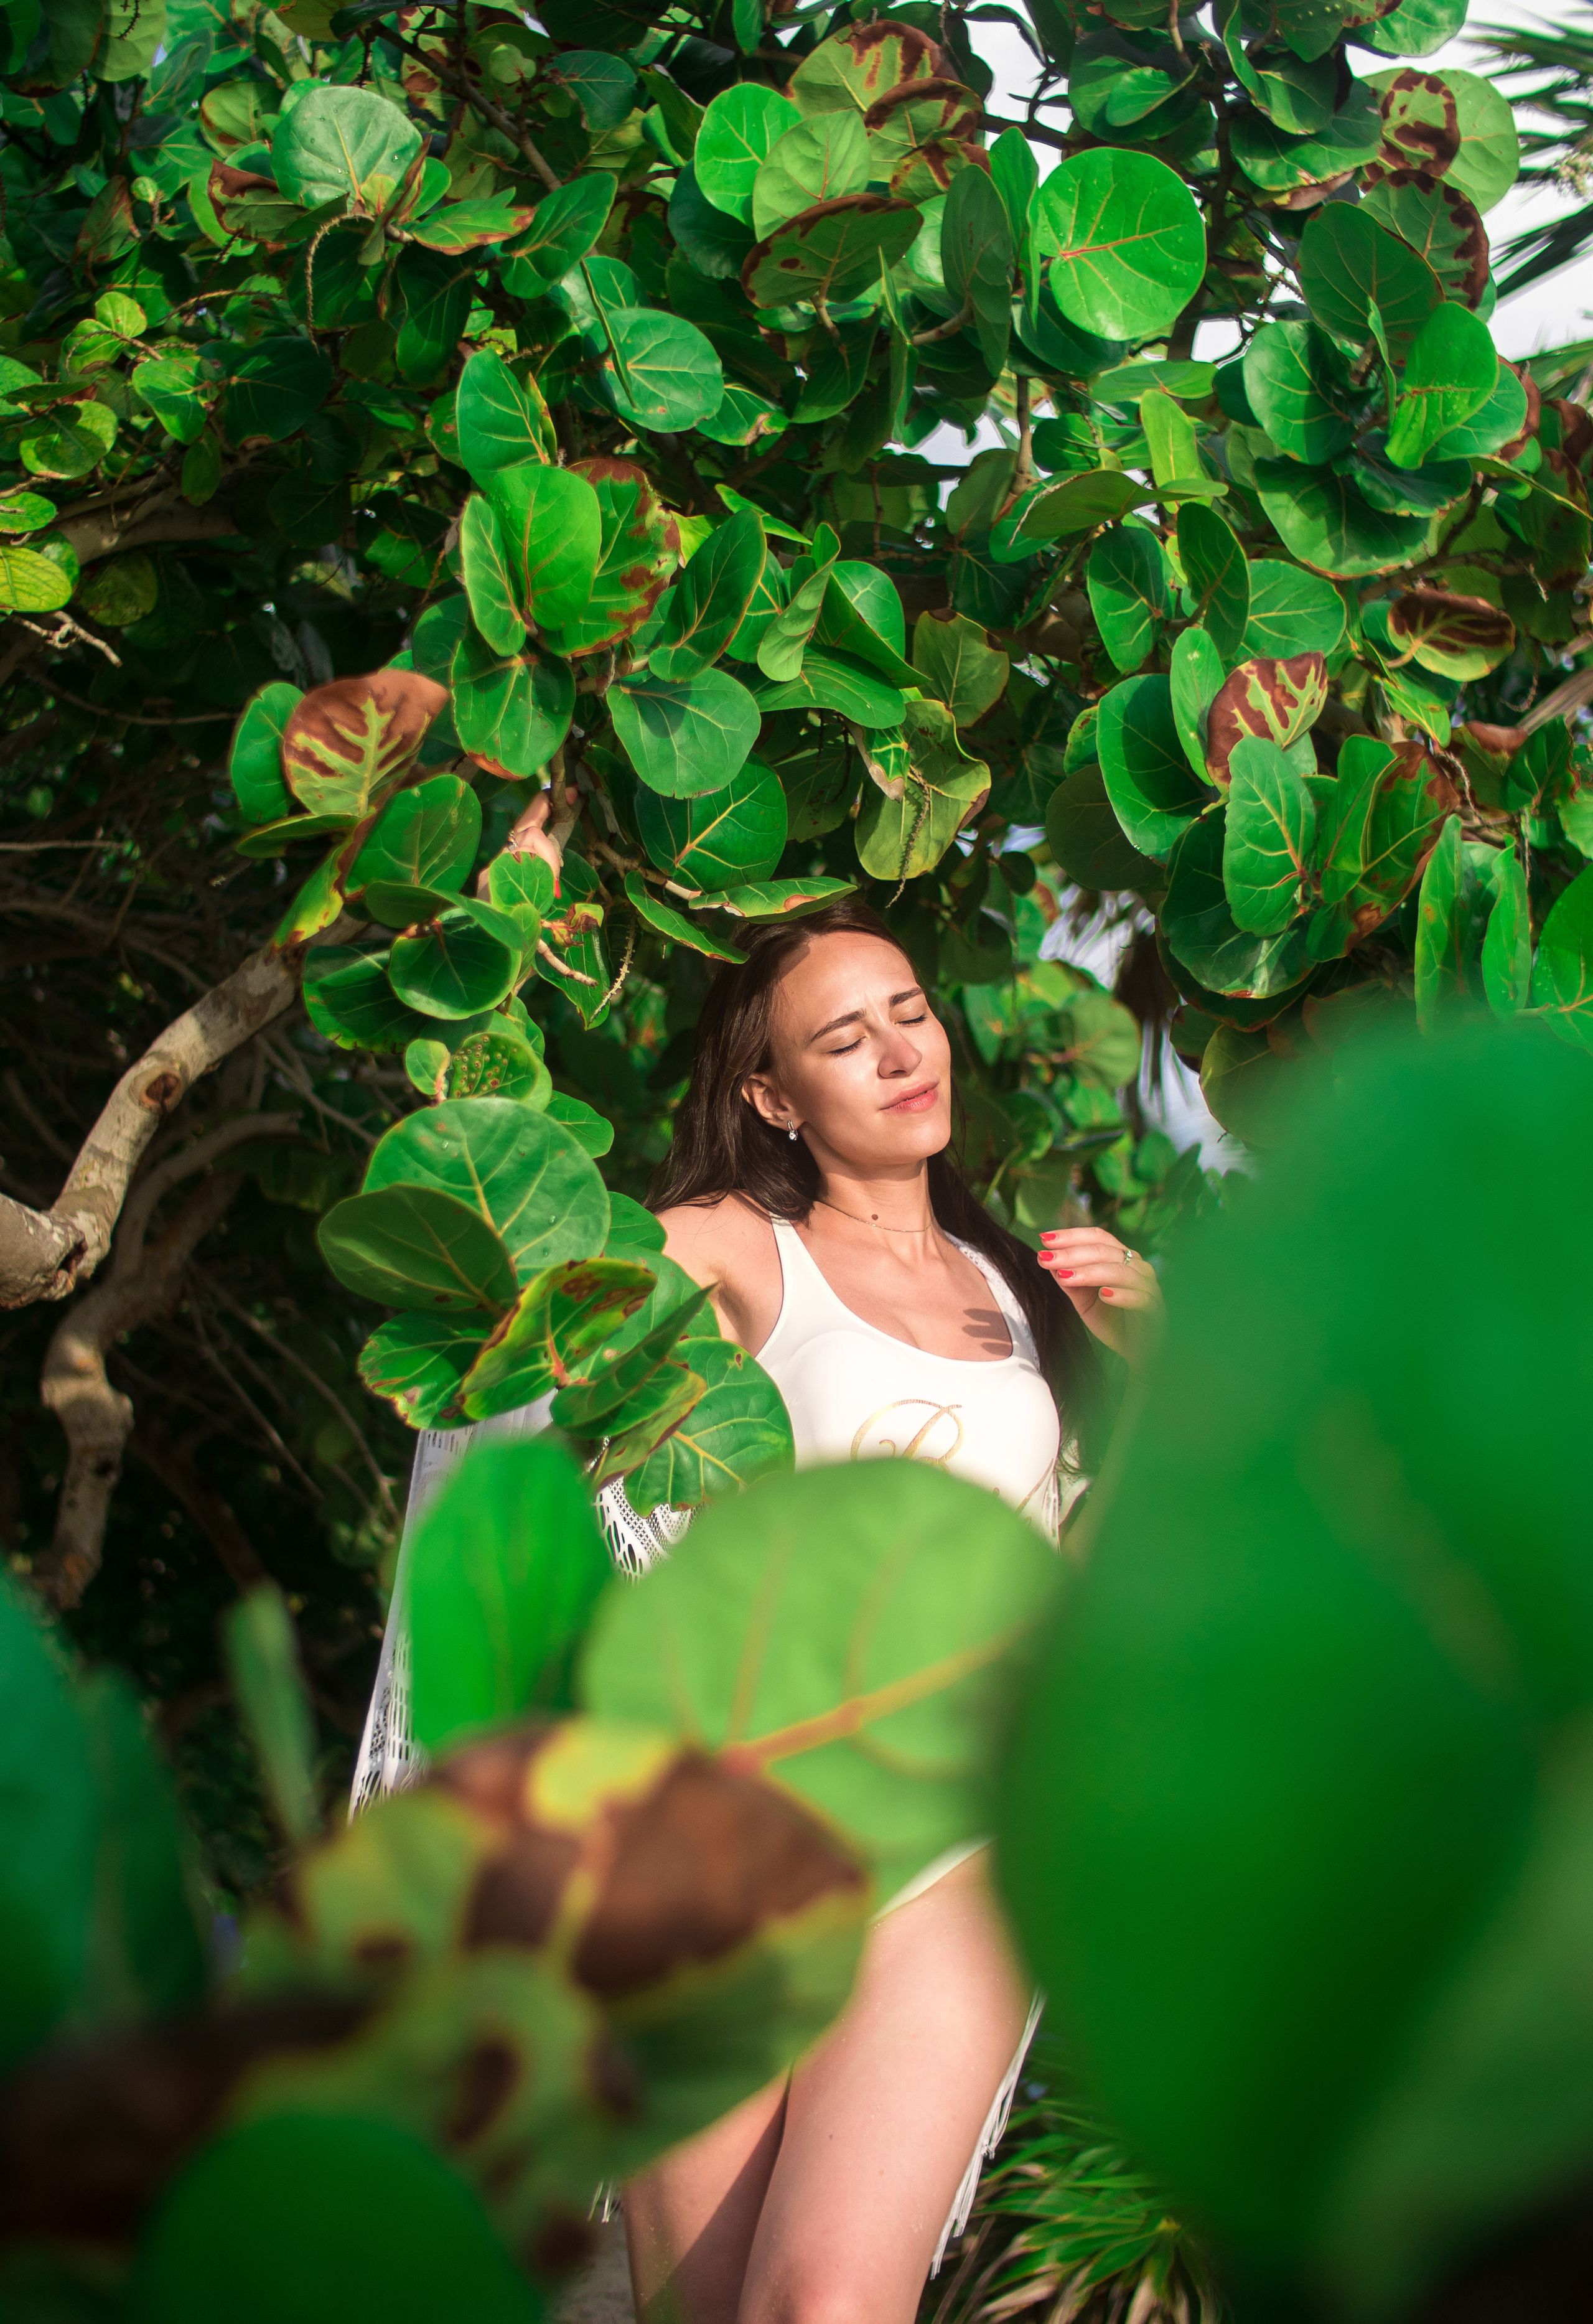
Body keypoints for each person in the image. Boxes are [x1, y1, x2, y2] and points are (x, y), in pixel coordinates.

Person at [612, 896, 1164, 2324]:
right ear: (768, 1095)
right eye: (841, 1039)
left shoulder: (1019, 1287)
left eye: (908, 1011)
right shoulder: (733, 1246)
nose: (898, 1053)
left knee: (825, 2302)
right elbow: (541, 1304)